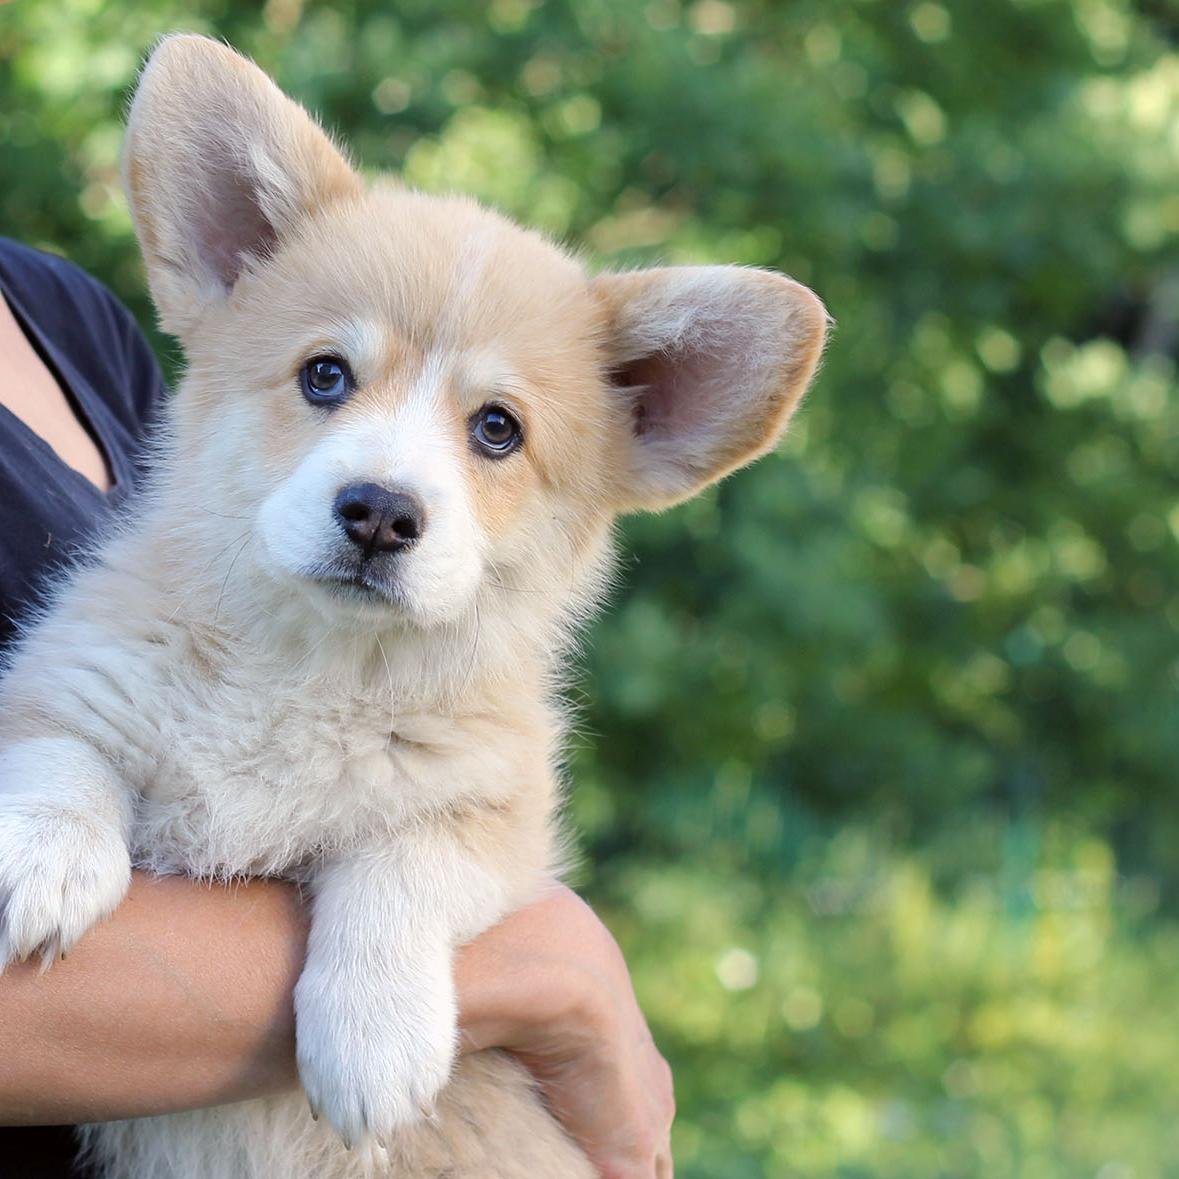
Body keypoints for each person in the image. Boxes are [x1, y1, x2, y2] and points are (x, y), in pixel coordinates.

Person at [0, 237, 675, 1179]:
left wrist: (392, 919)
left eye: (495, 429)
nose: (387, 493)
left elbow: (476, 823)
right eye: (328, 376)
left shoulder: (65, 320)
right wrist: (63, 790)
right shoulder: (129, 620)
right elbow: (54, 720)